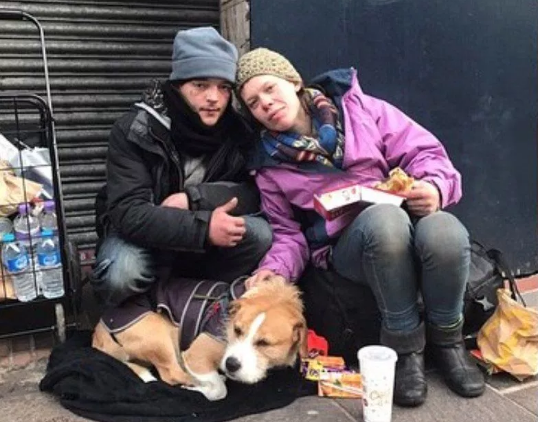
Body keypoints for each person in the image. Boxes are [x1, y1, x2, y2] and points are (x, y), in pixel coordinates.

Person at [235, 48, 485, 407]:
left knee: (444, 229)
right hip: (349, 250)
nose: (267, 104)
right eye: (254, 103)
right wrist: (273, 272)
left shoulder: (361, 108)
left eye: (271, 89)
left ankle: (449, 342)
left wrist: (434, 187)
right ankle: (405, 349)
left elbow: (425, 153)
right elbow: (289, 235)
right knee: (384, 222)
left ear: (293, 82)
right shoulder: (269, 166)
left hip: (407, 222)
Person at [90, 28, 272, 308]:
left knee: (260, 235)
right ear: (178, 86)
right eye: (200, 85)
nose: (214, 97)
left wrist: (195, 199)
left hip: (202, 238)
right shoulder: (136, 129)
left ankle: (186, 298)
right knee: (123, 273)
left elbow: (254, 191)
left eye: (223, 87)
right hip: (142, 237)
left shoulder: (238, 131)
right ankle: (132, 315)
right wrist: (202, 228)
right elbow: (128, 212)